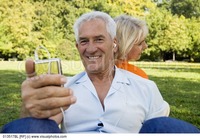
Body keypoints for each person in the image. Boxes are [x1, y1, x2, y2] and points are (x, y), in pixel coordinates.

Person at [1, 11, 199, 133]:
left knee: (166, 127)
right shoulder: (64, 88)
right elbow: (39, 128)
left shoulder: (145, 87)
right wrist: (30, 110)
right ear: (77, 46)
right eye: (84, 41)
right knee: (30, 125)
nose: (91, 48)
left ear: (114, 44)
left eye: (99, 39)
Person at [114, 15, 148, 79]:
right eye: (140, 43)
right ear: (125, 45)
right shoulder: (137, 75)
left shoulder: (93, 70)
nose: (145, 46)